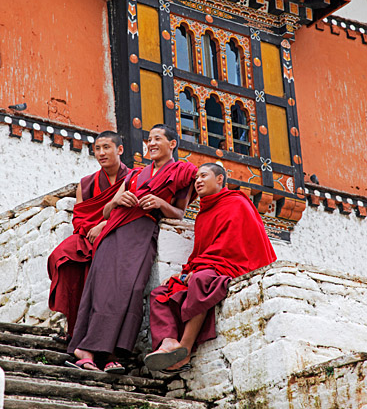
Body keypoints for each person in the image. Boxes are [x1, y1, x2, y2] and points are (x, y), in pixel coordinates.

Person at [66, 124, 197, 373]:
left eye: (158, 138)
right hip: (115, 232)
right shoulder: (135, 175)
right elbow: (106, 212)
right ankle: (86, 350)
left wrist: (160, 203)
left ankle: (108, 352)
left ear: (172, 144)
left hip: (143, 232)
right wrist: (116, 200)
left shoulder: (182, 172)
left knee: (132, 290)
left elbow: (180, 212)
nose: (152, 143)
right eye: (149, 139)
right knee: (104, 290)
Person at [144, 162, 277, 373]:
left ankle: (185, 349)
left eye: (203, 176)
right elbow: (201, 251)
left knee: (201, 280)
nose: (197, 181)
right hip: (209, 265)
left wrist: (196, 271)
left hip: (235, 265)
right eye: (196, 178)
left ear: (220, 179)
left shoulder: (236, 203)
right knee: (161, 292)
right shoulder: (203, 214)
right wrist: (186, 271)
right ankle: (168, 342)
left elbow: (234, 245)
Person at [48, 131, 129, 340]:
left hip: (118, 234)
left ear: (119, 150)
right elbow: (79, 218)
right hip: (88, 236)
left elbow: (131, 211)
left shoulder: (133, 178)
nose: (101, 153)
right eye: (98, 149)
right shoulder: (86, 184)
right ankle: (74, 330)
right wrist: (90, 230)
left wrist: (104, 225)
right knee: (62, 257)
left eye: (107, 147)